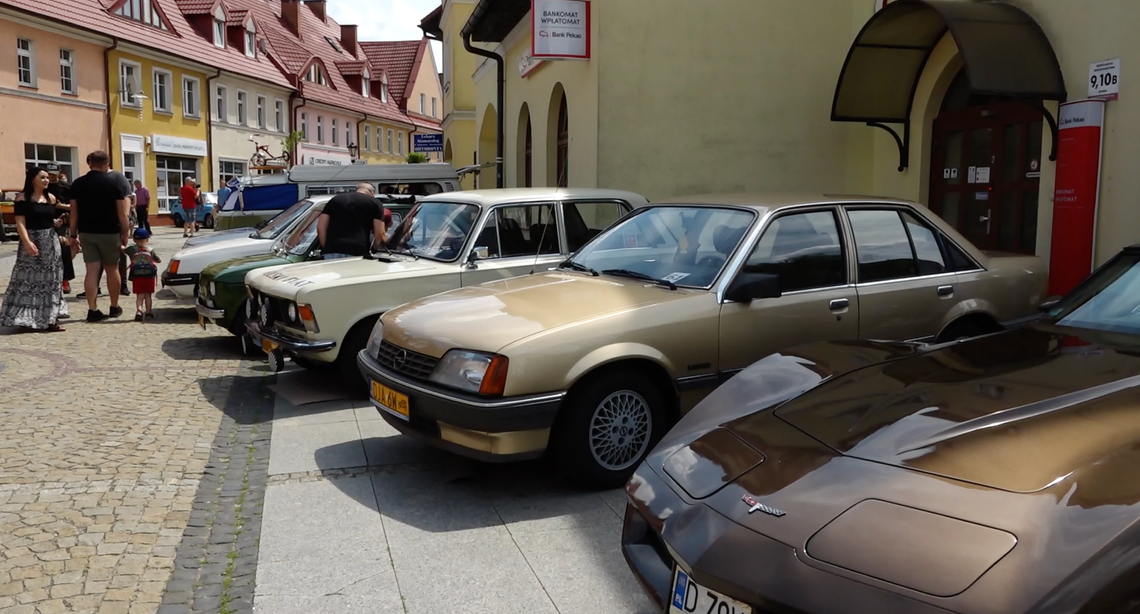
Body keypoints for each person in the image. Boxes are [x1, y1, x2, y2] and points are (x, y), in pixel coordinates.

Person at [0, 167, 69, 331]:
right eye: (42, 177)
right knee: (27, 279)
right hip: (31, 240)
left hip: (50, 242)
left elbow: (47, 218)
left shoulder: (51, 198)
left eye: (47, 178)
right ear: (33, 179)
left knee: (51, 280)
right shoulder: (22, 198)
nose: (46, 180)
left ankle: (50, 317)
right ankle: (23, 317)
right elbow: (20, 223)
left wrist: (55, 223)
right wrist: (26, 242)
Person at [69, 150, 129, 322]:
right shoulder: (114, 183)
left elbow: (74, 213)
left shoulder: (78, 184)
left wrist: (73, 234)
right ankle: (114, 306)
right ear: (106, 165)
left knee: (92, 271)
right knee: (112, 269)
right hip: (110, 231)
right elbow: (122, 213)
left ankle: (92, 309)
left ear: (90, 164)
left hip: (87, 231)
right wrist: (125, 233)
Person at [317, 183, 387, 259]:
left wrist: (327, 246)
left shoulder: (335, 200)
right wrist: (379, 250)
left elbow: (321, 227)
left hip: (332, 251)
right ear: (372, 194)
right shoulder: (375, 203)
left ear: (356, 190)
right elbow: (380, 233)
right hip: (358, 251)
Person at [45, 165, 75, 294]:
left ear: (59, 173)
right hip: (44, 222)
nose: (51, 177)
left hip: (63, 223)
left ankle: (65, 280)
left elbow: (74, 206)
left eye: (53, 174)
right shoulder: (41, 187)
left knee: (64, 251)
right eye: (49, 174)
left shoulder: (66, 187)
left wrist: (60, 206)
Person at [125, 228, 160, 321]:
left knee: (139, 296)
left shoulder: (131, 249)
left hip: (137, 277)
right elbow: (158, 260)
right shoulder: (150, 250)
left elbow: (122, 250)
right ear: (147, 240)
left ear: (134, 240)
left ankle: (139, 311)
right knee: (148, 295)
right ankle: (148, 312)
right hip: (149, 277)